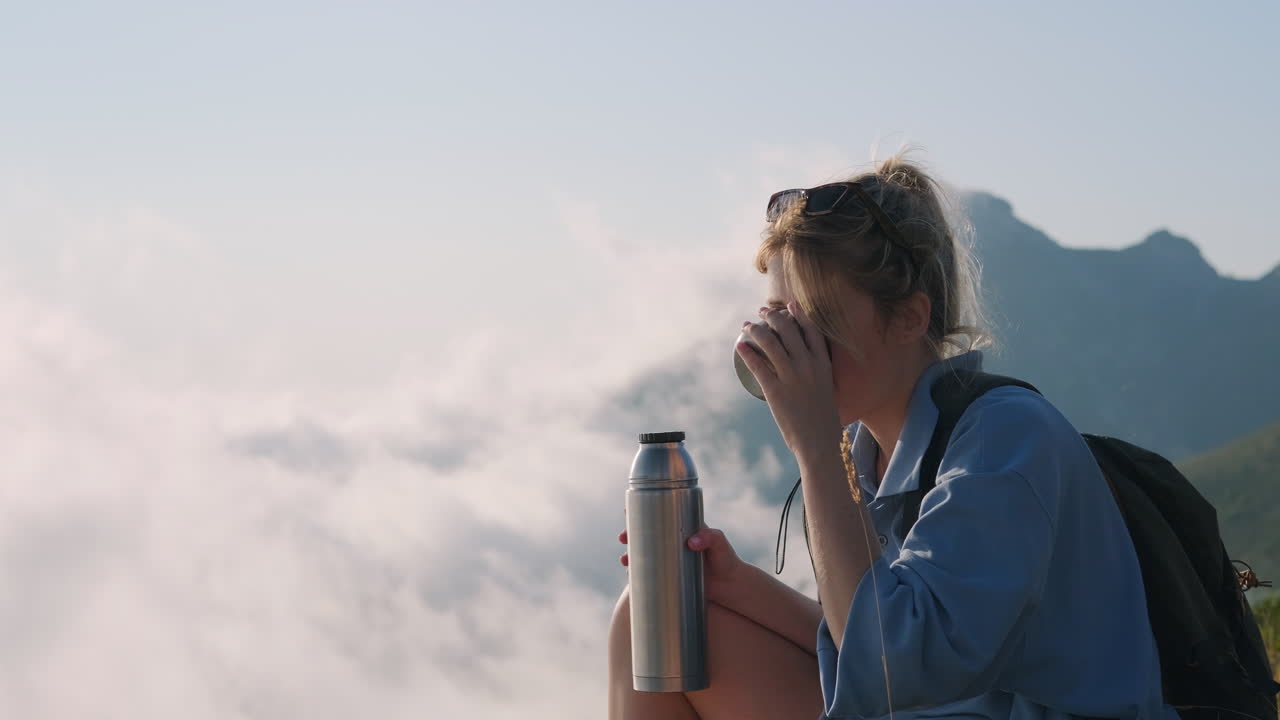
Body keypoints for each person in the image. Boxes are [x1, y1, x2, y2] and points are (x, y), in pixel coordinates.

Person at [607, 153, 1175, 720]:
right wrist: (738, 585)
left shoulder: (1004, 438)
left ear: (908, 318)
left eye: (818, 315)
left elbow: (896, 669)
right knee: (649, 618)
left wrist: (817, 452)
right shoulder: (871, 450)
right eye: (779, 313)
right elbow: (865, 640)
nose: (793, 342)